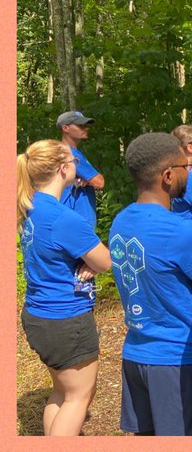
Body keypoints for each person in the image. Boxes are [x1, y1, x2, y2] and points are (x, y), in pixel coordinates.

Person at [109, 132, 192, 436]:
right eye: (185, 168)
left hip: (136, 354)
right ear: (168, 176)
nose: (190, 174)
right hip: (177, 358)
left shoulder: (121, 221)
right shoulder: (180, 232)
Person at [18, 139, 112, 435]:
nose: (78, 165)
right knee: (78, 397)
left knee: (61, 392)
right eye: (74, 161)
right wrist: (92, 262)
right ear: (62, 169)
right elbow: (106, 261)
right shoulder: (63, 218)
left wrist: (85, 262)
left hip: (39, 315)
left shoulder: (30, 206)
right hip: (65, 320)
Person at [57, 109, 104, 230]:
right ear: (65, 128)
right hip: (76, 220)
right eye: (80, 125)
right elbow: (99, 182)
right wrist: (89, 181)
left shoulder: (61, 151)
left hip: (70, 218)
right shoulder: (70, 154)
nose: (86, 128)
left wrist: (86, 180)